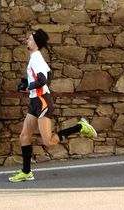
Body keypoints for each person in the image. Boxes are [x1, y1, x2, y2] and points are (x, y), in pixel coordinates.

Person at [8, 29, 97, 182]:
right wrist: (26, 83)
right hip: (36, 101)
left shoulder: (36, 58)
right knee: (24, 136)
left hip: (42, 101)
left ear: (36, 43)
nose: (27, 41)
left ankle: (80, 127)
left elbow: (42, 80)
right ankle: (26, 172)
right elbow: (48, 77)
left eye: (29, 39)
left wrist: (28, 87)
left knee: (48, 141)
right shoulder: (35, 58)